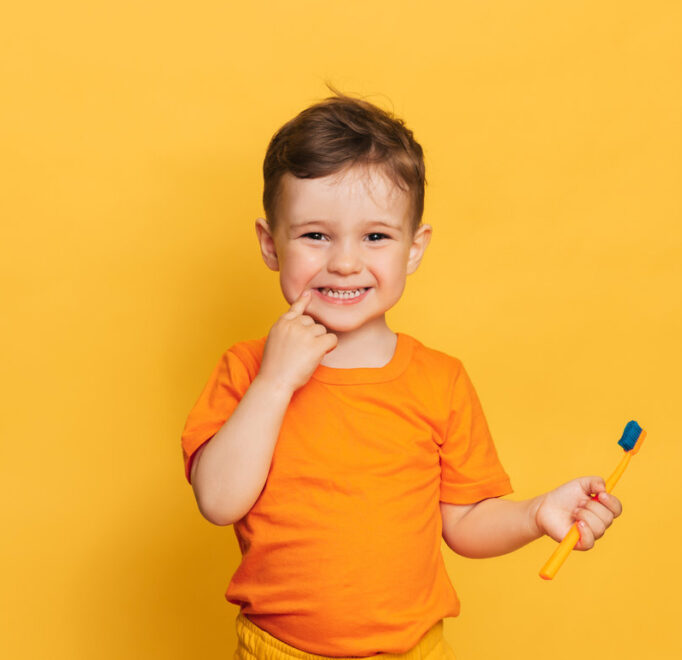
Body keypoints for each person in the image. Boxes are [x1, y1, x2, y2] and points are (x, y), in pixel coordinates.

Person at [181, 90, 623, 659]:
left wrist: (536, 514)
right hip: (280, 651)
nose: (344, 261)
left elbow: (464, 524)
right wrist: (275, 382)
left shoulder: (439, 381)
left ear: (414, 249)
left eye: (375, 236)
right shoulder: (247, 370)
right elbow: (219, 501)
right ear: (272, 244)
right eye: (316, 235)